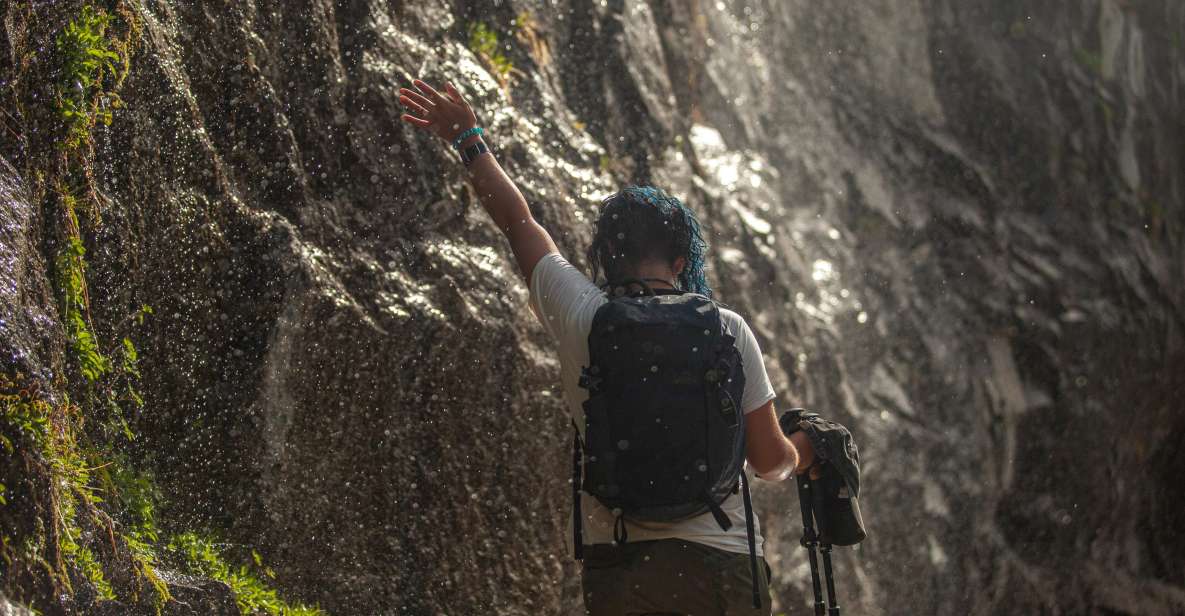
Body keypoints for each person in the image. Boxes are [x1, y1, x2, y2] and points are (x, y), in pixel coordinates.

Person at [399, 78, 816, 616]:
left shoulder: (585, 317)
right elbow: (769, 462)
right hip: (723, 567)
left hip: (622, 569)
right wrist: (808, 448)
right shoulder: (727, 329)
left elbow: (518, 222)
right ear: (680, 262)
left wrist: (469, 138)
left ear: (606, 259)